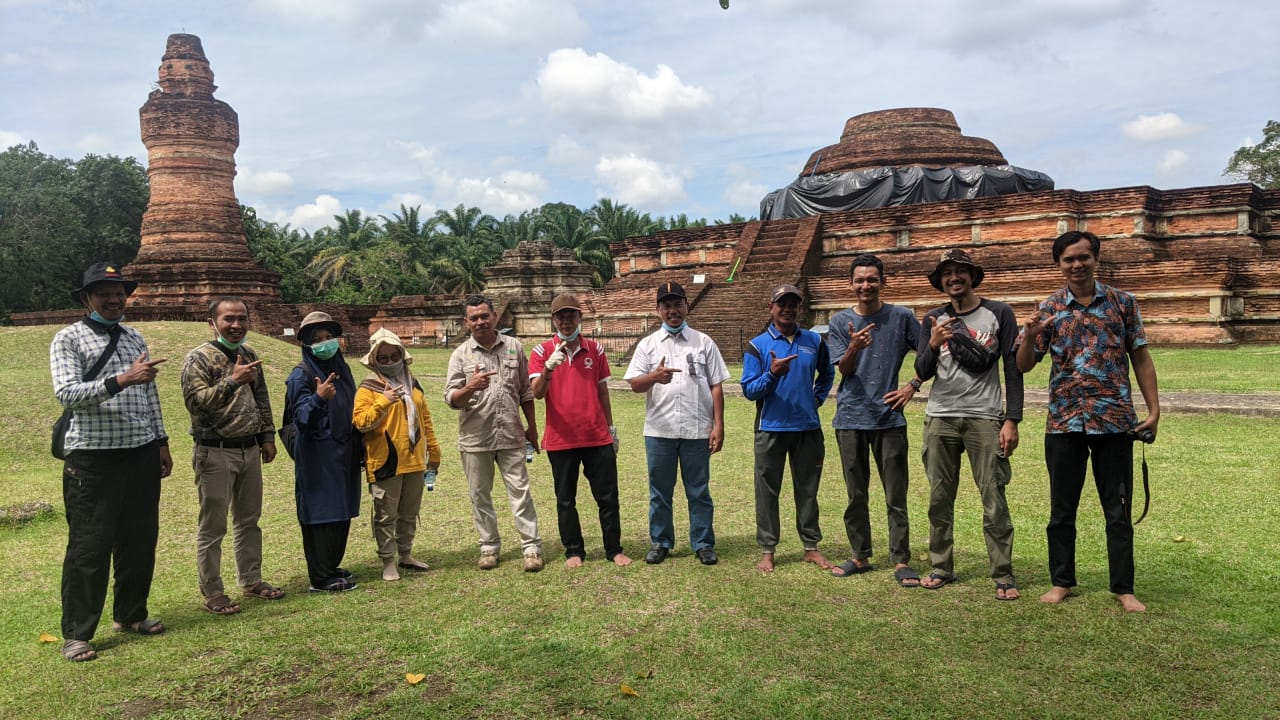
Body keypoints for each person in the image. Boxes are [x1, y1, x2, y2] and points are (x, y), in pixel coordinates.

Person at [1016, 230, 1160, 613]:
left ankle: (1123, 588)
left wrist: (1154, 410)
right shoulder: (1048, 307)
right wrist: (1029, 337)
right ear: (1058, 264)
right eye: (1068, 259)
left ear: (1096, 259)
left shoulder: (1122, 303)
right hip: (1064, 422)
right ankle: (1061, 581)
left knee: (1118, 508)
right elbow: (1024, 364)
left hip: (1113, 420)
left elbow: (1141, 357)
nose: (1077, 265)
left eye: (1083, 257)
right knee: (1062, 509)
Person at [50, 262, 172, 662]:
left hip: (138, 451)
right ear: (87, 299)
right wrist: (120, 380)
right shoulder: (68, 339)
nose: (114, 298)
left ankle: (131, 613)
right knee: (90, 546)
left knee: (139, 539)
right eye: (104, 292)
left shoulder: (134, 337)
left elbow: (149, 395)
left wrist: (161, 442)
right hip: (92, 458)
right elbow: (67, 393)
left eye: (119, 292)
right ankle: (77, 633)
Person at [914, 249, 1024, 599]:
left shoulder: (999, 313)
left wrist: (1012, 420)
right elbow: (921, 370)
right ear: (940, 281)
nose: (953, 279)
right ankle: (940, 567)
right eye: (947, 274)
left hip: (984, 415)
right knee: (939, 498)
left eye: (960, 272)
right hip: (940, 416)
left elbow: (1012, 367)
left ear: (972, 276)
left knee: (993, 495)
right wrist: (932, 344)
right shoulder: (933, 318)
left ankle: (1003, 573)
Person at [181, 297, 285, 615]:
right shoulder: (199, 358)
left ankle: (251, 579)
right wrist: (231, 381)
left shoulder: (248, 354)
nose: (236, 325)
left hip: (249, 448)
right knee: (213, 526)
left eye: (242, 318)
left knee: (249, 520)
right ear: (212, 322)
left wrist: (267, 436)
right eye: (228, 319)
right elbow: (195, 402)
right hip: (215, 451)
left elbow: (261, 396)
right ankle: (213, 591)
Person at [824, 254, 923, 584]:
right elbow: (844, 368)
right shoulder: (839, 322)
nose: (866, 285)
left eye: (872, 279)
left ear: (883, 281)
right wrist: (854, 346)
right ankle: (860, 554)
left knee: (896, 494)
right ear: (850, 284)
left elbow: (930, 353)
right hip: (850, 418)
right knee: (857, 494)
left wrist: (913, 385)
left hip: (889, 418)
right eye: (860, 280)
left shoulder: (901, 317)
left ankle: (900, 559)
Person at [624, 282, 729, 566]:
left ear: (687, 306)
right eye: (667, 306)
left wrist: (718, 425)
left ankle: (703, 543)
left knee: (699, 490)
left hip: (697, 428)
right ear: (658, 310)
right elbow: (634, 384)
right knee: (660, 491)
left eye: (678, 304)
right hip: (660, 430)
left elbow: (716, 385)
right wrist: (654, 377)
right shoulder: (648, 345)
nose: (673, 311)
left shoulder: (703, 342)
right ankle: (660, 541)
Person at [529, 294, 632, 568]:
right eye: (561, 316)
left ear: (580, 318)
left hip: (596, 435)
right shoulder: (541, 352)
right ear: (553, 320)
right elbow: (536, 393)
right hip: (561, 438)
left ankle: (614, 549)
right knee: (565, 499)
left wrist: (611, 428)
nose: (566, 321)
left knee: (608, 497)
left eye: (571, 316)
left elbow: (602, 391)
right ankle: (574, 550)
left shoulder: (595, 350)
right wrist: (549, 370)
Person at [444, 295, 544, 572]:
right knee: (480, 495)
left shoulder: (514, 347)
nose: (480, 322)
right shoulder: (461, 354)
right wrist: (470, 387)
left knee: (520, 492)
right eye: (474, 318)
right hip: (475, 438)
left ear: (494, 317)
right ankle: (489, 546)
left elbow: (525, 390)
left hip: (511, 433)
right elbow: (451, 399)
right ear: (466, 322)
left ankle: (531, 547)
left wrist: (532, 427)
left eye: (484, 316)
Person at [741, 284, 836, 573]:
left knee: (807, 489)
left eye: (793, 304)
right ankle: (768, 550)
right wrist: (771, 374)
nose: (787, 309)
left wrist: (815, 398)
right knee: (767, 491)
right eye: (782, 303)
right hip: (771, 427)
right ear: (771, 307)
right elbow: (749, 390)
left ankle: (811, 547)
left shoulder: (814, 341)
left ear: (800, 308)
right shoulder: (758, 345)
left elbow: (828, 372)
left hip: (807, 427)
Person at [353, 327, 441, 581]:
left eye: (394, 356)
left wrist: (433, 451)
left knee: (409, 513)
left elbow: (425, 420)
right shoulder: (369, 388)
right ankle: (387, 561)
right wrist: (383, 401)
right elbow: (360, 422)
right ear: (375, 362)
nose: (390, 362)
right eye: (384, 358)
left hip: (414, 459)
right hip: (385, 463)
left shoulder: (413, 384)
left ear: (403, 356)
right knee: (385, 515)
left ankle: (406, 554)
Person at [284, 311, 363, 592]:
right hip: (318, 456)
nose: (325, 343)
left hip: (344, 451)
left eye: (329, 337)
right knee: (320, 511)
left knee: (341, 509)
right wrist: (318, 398)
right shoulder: (301, 376)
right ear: (306, 345)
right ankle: (320, 576)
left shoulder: (343, 371)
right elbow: (300, 418)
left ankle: (331, 565)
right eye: (317, 339)